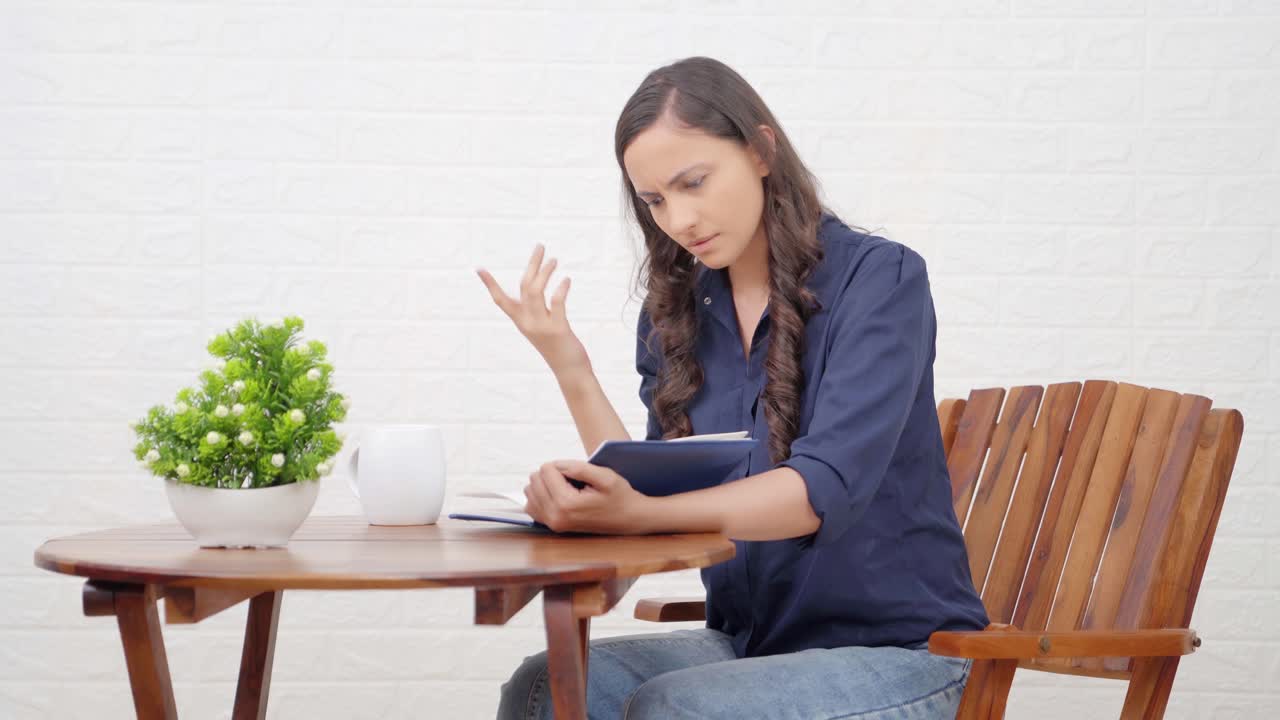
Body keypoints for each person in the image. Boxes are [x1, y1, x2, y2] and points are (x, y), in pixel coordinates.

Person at [475, 56, 989, 720]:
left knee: (675, 706)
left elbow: (818, 491)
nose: (680, 219)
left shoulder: (878, 282)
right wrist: (570, 366)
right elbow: (656, 489)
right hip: (752, 647)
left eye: (694, 182)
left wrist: (637, 515)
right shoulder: (681, 312)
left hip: (905, 655)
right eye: (655, 200)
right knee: (543, 687)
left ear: (761, 150)